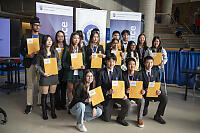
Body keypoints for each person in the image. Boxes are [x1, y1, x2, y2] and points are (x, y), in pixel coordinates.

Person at [97, 53, 130, 126]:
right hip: (108, 97)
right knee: (106, 119)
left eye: (113, 61)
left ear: (115, 62)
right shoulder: (101, 72)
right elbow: (98, 87)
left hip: (118, 95)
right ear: (106, 62)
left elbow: (121, 84)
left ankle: (120, 118)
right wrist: (107, 92)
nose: (111, 63)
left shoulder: (118, 71)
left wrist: (124, 94)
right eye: (109, 61)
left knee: (127, 103)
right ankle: (103, 110)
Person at [20, 16, 44, 114]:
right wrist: (27, 54)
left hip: (40, 64)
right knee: (30, 85)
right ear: (31, 26)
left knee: (40, 84)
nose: (37, 27)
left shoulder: (42, 37)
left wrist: (41, 52)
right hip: (30, 63)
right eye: (35, 25)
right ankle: (29, 105)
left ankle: (40, 102)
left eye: (39, 25)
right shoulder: (26, 36)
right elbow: (21, 49)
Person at [35, 35, 61, 120]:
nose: (49, 42)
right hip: (45, 76)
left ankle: (53, 112)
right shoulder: (40, 53)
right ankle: (44, 113)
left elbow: (59, 64)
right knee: (44, 95)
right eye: (47, 40)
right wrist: (43, 73)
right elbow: (37, 66)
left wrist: (54, 70)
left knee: (53, 95)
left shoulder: (55, 52)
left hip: (54, 76)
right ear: (44, 42)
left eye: (50, 40)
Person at [137, 56, 168, 124]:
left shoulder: (156, 72)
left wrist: (159, 90)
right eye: (147, 62)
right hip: (144, 94)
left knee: (164, 98)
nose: (149, 64)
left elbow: (157, 84)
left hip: (154, 93)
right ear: (144, 63)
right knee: (144, 113)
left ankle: (158, 115)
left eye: (151, 62)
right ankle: (145, 106)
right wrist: (144, 90)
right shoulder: (140, 73)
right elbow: (138, 85)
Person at [62, 32, 86, 104]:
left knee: (76, 90)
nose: (76, 40)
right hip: (70, 73)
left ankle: (75, 104)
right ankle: (70, 104)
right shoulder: (67, 48)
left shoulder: (81, 49)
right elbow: (63, 61)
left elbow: (85, 61)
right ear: (71, 39)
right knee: (70, 90)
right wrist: (68, 67)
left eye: (78, 38)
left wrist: (83, 66)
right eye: (75, 38)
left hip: (79, 73)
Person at [122, 58, 145, 128]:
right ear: (126, 65)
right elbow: (120, 86)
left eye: (133, 64)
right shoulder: (123, 74)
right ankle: (122, 116)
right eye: (130, 64)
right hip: (126, 95)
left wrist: (142, 91)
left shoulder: (139, 74)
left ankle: (139, 119)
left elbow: (142, 86)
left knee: (142, 100)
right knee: (127, 104)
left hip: (136, 94)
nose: (132, 66)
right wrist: (125, 91)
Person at [54, 30, 67, 110]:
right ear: (56, 37)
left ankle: (63, 103)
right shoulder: (53, 46)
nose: (60, 38)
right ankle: (57, 104)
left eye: (62, 36)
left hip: (64, 69)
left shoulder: (67, 46)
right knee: (57, 87)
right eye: (59, 36)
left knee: (63, 87)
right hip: (56, 68)